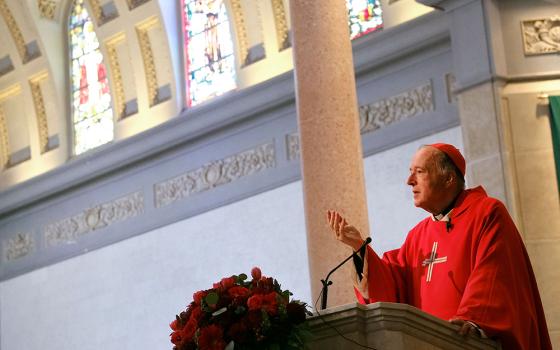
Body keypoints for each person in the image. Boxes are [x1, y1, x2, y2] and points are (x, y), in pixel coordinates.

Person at [327, 143, 552, 350]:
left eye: (419, 172)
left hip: (470, 342)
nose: (409, 181)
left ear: (448, 179)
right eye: (410, 172)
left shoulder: (486, 213)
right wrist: (359, 247)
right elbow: (392, 284)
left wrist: (473, 316)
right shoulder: (418, 236)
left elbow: (495, 274)